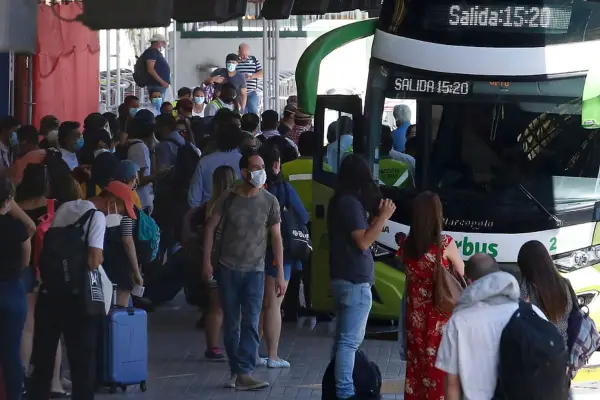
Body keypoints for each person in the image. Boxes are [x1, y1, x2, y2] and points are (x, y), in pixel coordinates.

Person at [28, 183, 135, 400]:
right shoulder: (96, 217)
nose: (120, 214)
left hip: (50, 293)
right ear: (111, 201)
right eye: (122, 209)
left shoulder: (65, 208)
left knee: (43, 361)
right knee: (82, 364)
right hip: (78, 299)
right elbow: (93, 259)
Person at [202, 149, 284, 391]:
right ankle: (237, 370)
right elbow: (210, 228)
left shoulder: (270, 201)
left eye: (262, 167)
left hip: (255, 271)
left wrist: (280, 273)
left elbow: (277, 238)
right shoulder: (228, 198)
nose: (261, 171)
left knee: (250, 322)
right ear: (244, 172)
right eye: (256, 167)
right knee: (232, 323)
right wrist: (206, 261)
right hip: (227, 269)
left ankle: (245, 371)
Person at [326, 154, 395, 400]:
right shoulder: (350, 203)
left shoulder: (340, 202)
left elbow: (361, 234)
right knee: (349, 343)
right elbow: (363, 241)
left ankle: (335, 388)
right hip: (354, 280)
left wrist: (377, 218)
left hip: (343, 276)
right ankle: (345, 391)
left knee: (342, 341)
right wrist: (384, 218)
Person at [435, 253, 547, 400]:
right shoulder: (533, 313)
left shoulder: (458, 322)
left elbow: (452, 384)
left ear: (469, 282)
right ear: (499, 274)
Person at [398, 191, 464, 400]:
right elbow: (461, 272)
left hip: (415, 318)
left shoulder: (407, 247)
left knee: (416, 370)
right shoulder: (445, 244)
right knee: (438, 372)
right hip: (439, 318)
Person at [17, 164, 73, 398]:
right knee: (53, 329)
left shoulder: (15, 209)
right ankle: (55, 382)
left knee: (27, 329)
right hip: (51, 272)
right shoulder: (57, 208)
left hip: (23, 270)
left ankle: (20, 379)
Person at [259, 144, 308, 368]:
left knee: (261, 305)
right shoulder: (284, 189)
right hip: (280, 256)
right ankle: (273, 354)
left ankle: (251, 351)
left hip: (254, 252)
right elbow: (304, 216)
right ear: (277, 165)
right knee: (274, 305)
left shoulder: (252, 189)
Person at [0, 171, 33, 400]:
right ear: (8, 200)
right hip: (11, 289)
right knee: (11, 351)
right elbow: (26, 257)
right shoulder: (16, 228)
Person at [199, 165, 237, 361]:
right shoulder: (234, 204)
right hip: (230, 260)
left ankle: (212, 346)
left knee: (214, 306)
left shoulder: (209, 205)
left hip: (212, 259)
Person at [93, 181, 141, 307]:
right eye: (123, 208)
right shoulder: (116, 216)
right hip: (117, 269)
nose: (123, 213)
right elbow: (127, 242)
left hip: (96, 268)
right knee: (120, 309)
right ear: (112, 200)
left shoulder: (88, 207)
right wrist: (136, 273)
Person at [518, 240, 573, 347]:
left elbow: (519, 317)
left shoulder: (527, 287)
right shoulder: (564, 284)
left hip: (539, 353)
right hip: (562, 350)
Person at [188, 124, 242, 207]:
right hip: (237, 212)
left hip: (208, 211)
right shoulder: (244, 162)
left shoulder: (205, 161)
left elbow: (194, 197)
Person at [141, 33, 170, 98]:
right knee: (158, 105)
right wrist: (162, 82)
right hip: (156, 85)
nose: (164, 45)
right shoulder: (152, 52)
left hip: (158, 85)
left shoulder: (155, 52)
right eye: (163, 42)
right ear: (158, 43)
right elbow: (150, 69)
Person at [237, 43, 263, 114]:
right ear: (238, 52)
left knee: (254, 111)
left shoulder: (254, 60)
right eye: (242, 55)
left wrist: (252, 76)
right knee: (242, 112)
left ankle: (254, 124)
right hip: (239, 93)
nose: (245, 57)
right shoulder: (234, 61)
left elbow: (262, 73)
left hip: (252, 92)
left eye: (246, 54)